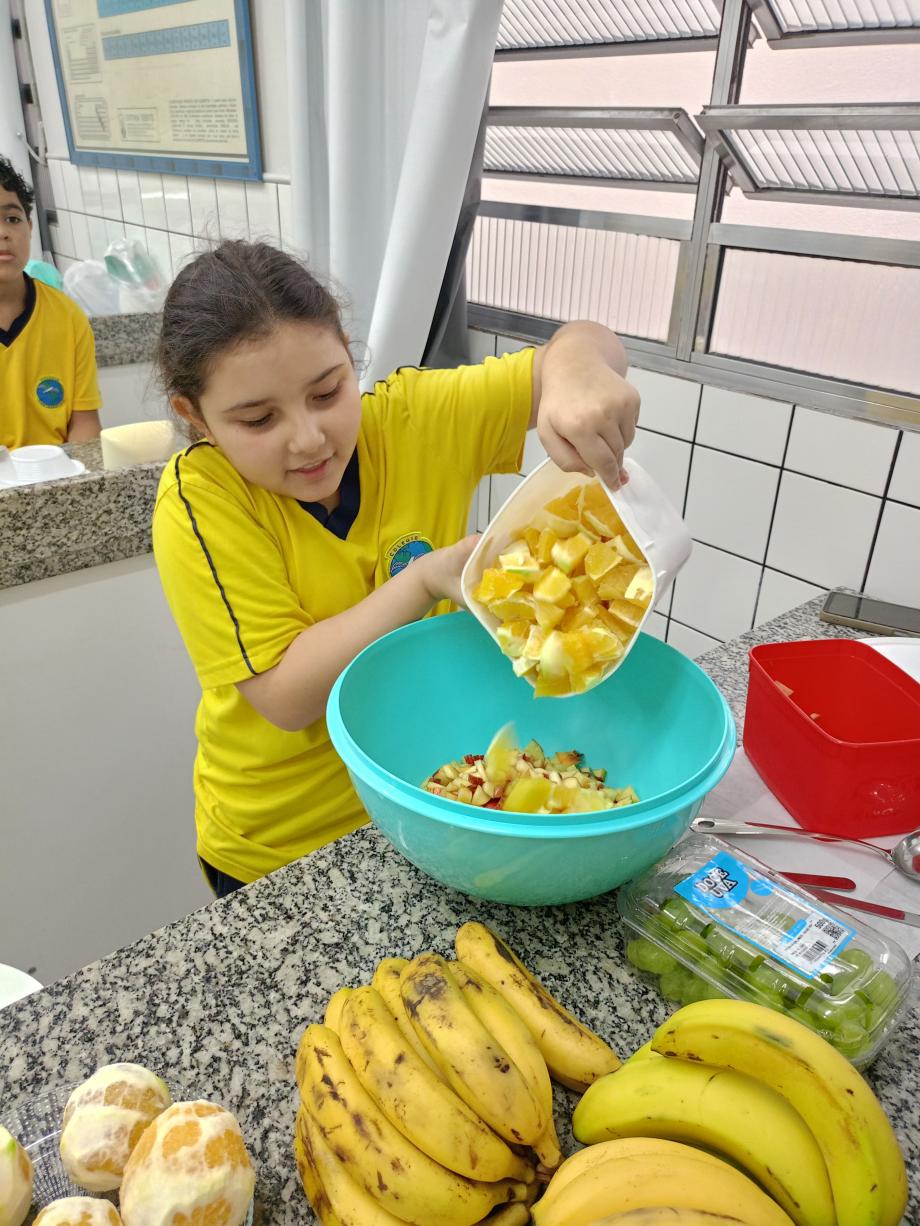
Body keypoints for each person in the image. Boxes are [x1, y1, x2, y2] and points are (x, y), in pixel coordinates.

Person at [152, 240, 640, 897]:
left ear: (348, 353)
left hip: (422, 803)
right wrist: (424, 580)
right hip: (281, 845)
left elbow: (585, 344)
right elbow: (286, 696)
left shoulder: (413, 419)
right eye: (260, 419)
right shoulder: (202, 502)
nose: (309, 438)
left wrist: (577, 375)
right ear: (195, 417)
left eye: (328, 391)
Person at [0, 156, 101, 450]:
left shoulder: (67, 316)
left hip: (57, 471)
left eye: (12, 219)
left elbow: (84, 423)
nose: (3, 232)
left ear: (30, 227)